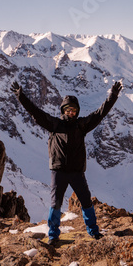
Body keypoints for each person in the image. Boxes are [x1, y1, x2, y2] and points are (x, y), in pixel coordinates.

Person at [10, 79, 122, 245]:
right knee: (56, 204)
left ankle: (94, 232)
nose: (71, 113)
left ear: (77, 112)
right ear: (63, 110)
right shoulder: (55, 124)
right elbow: (36, 112)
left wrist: (112, 96)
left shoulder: (82, 125)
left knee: (86, 201)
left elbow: (100, 113)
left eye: (74, 110)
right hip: (59, 171)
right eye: (68, 110)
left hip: (77, 172)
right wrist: (21, 96)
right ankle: (53, 235)